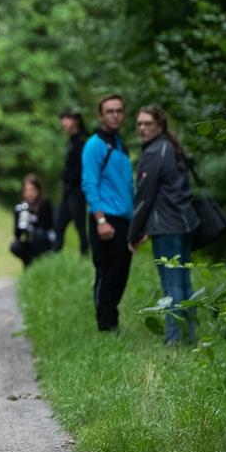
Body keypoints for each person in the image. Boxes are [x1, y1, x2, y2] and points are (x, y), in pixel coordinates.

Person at [129, 105, 200, 345]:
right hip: (183, 224)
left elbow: (143, 197)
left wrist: (133, 234)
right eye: (139, 123)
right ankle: (191, 335)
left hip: (168, 228)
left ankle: (174, 338)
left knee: (172, 284)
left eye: (148, 123)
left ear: (160, 125)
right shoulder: (170, 147)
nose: (142, 128)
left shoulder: (155, 152)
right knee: (183, 281)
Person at [81, 93, 134, 332]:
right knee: (107, 274)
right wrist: (100, 219)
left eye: (119, 111)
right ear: (100, 115)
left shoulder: (121, 144)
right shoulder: (94, 145)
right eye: (110, 111)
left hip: (124, 220)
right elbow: (89, 183)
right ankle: (106, 326)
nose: (115, 115)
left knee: (121, 274)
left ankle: (111, 320)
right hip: (105, 219)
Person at [54, 109, 90, 256]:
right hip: (69, 191)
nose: (63, 123)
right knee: (59, 222)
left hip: (77, 191)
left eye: (66, 119)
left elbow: (81, 168)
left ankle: (85, 253)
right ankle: (55, 254)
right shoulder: (71, 142)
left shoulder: (81, 142)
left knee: (80, 224)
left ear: (75, 121)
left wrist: (68, 176)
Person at [10, 173, 56, 267]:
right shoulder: (21, 208)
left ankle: (42, 265)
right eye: (27, 190)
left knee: (38, 235)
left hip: (44, 242)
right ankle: (28, 266)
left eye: (32, 190)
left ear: (38, 191)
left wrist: (32, 218)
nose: (29, 193)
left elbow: (48, 227)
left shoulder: (45, 205)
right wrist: (22, 223)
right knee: (15, 246)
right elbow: (17, 235)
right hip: (29, 241)